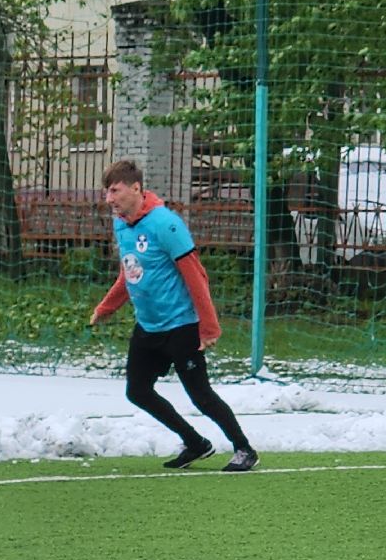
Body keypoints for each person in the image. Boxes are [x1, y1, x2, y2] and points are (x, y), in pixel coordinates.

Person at [89, 159, 259, 472]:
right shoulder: (121, 224)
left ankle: (244, 448)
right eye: (107, 192)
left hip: (181, 326)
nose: (108, 199)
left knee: (201, 396)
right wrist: (107, 307)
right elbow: (130, 272)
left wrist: (209, 327)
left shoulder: (166, 224)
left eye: (114, 191)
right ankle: (195, 443)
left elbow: (196, 276)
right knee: (137, 392)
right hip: (148, 326)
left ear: (136, 188)